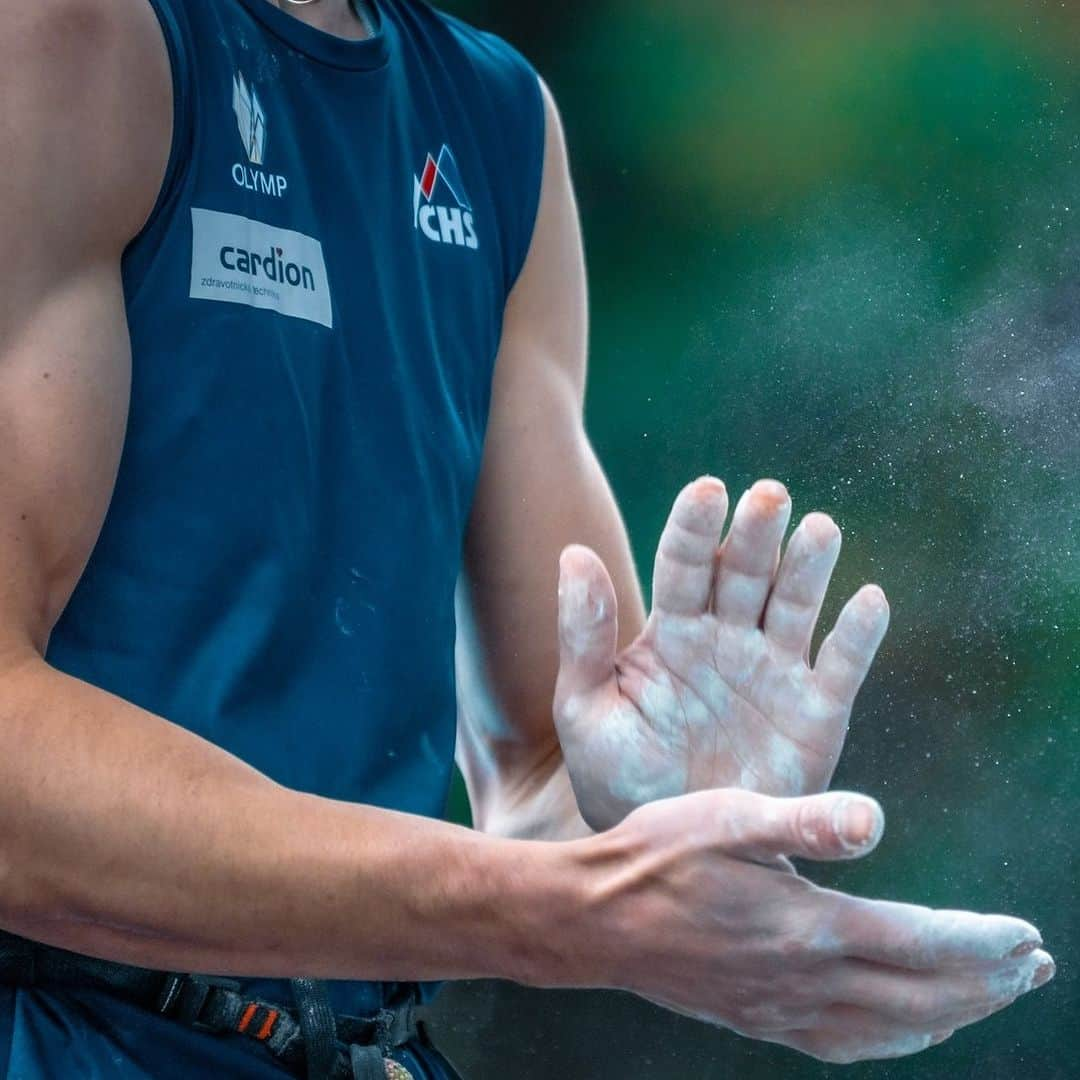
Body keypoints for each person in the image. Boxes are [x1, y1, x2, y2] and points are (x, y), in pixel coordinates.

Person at [0, 0, 1054, 1077]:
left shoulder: (499, 123)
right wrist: (562, 909)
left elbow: (541, 769)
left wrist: (655, 819)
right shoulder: (68, 35)